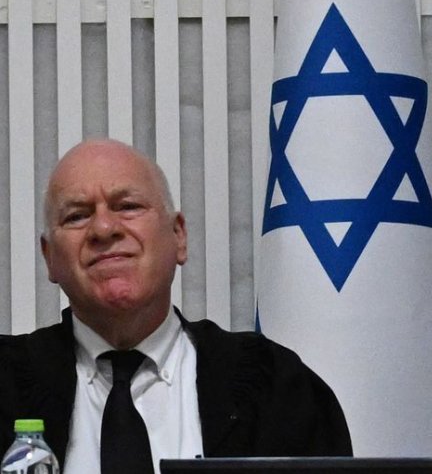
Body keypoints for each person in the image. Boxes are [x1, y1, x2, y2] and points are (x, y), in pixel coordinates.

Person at [0, 139, 352, 473]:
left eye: (128, 207)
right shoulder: (6, 385)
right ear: (50, 259)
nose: (104, 228)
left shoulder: (277, 387)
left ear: (179, 236)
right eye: (77, 216)